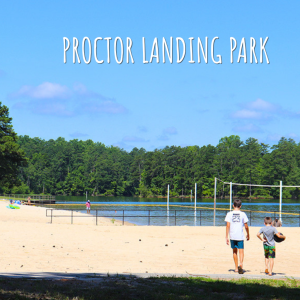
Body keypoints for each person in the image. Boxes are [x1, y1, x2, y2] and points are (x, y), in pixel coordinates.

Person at [225, 199, 250, 274]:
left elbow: (228, 225)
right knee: (241, 251)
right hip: (240, 235)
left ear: (233, 205)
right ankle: (241, 264)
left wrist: (226, 236)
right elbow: (246, 225)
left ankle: (236, 267)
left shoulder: (229, 214)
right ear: (240, 206)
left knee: (234, 251)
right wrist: (248, 234)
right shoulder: (243, 214)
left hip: (232, 235)